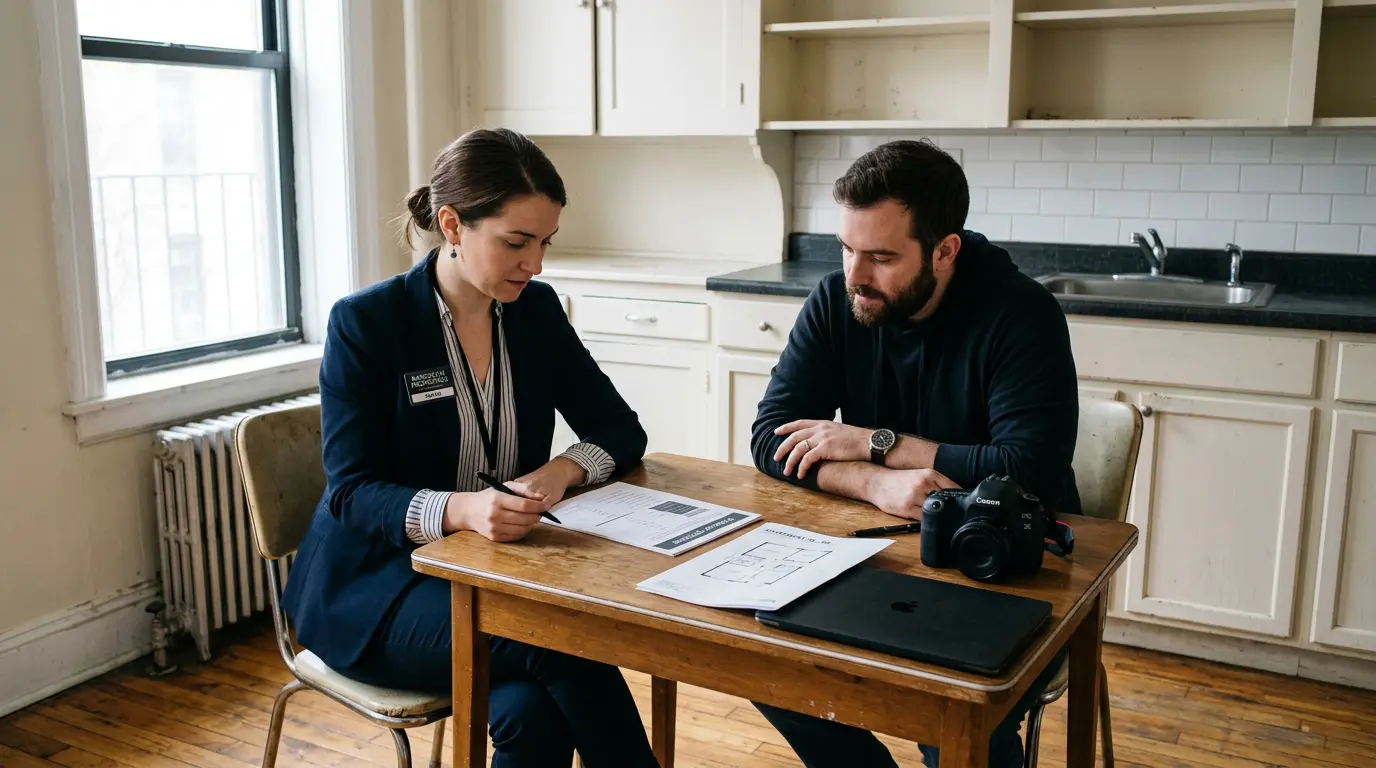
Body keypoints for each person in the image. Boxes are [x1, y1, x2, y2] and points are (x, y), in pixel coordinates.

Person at [281, 128, 660, 768]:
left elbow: (621, 430)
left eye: (544, 244)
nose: (534, 264)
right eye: (516, 242)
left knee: (529, 715)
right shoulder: (368, 324)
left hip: (490, 578)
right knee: (563, 642)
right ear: (452, 224)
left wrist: (561, 472)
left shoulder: (535, 312)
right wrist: (462, 509)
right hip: (374, 588)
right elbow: (350, 492)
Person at [748, 138, 1081, 767]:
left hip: (1006, 559)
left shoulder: (1022, 315)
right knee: (765, 661)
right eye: (846, 249)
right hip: (875, 551)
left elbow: (1029, 468)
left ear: (945, 250)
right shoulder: (837, 300)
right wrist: (875, 483)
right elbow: (772, 436)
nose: (854, 275)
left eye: (880, 257)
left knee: (950, 710)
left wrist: (874, 443)